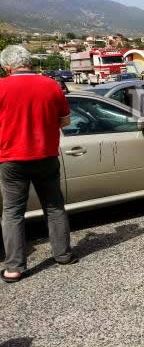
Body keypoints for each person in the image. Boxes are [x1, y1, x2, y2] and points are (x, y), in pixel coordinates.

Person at [0, 45, 77, 283]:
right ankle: (63, 255)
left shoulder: (1, 87)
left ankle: (14, 267)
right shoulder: (51, 85)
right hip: (46, 157)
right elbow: (64, 121)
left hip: (11, 159)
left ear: (7, 66)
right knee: (54, 207)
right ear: (29, 62)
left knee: (12, 213)